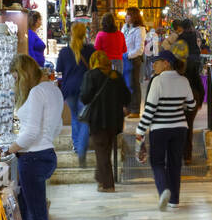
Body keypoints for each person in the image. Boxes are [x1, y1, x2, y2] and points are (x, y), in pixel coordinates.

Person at [9, 55, 62, 220]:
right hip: (44, 153)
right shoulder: (53, 90)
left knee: (35, 214)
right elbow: (56, 126)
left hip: (32, 157)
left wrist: (11, 148)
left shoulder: (37, 92)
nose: (15, 83)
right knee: (32, 212)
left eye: (16, 78)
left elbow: (30, 132)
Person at [136, 42, 195, 210]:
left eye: (157, 61)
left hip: (160, 129)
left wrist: (140, 129)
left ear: (166, 63)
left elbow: (150, 109)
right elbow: (191, 105)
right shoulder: (183, 80)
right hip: (180, 128)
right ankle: (174, 200)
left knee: (157, 162)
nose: (153, 64)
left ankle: (163, 191)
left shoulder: (157, 81)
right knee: (175, 164)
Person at [80, 50, 130, 193]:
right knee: (105, 150)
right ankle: (100, 178)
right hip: (115, 121)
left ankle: (108, 184)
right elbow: (127, 98)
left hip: (97, 120)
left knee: (102, 150)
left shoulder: (90, 75)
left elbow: (84, 97)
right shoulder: (117, 76)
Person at [55, 21, 95, 167]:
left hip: (69, 89)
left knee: (74, 117)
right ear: (84, 34)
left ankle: (77, 145)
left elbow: (59, 70)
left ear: (71, 34)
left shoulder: (64, 52)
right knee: (85, 119)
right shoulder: (90, 50)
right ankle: (81, 149)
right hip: (86, 89)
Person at [173, 19, 205, 163]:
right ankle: (187, 155)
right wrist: (201, 100)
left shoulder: (173, 65)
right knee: (188, 126)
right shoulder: (192, 63)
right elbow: (198, 83)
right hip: (192, 98)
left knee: (176, 125)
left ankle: (176, 153)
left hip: (176, 99)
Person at [123, 7, 145, 115]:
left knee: (134, 85)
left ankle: (135, 110)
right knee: (126, 85)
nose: (125, 17)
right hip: (124, 59)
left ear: (134, 16)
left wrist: (128, 55)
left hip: (133, 60)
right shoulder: (124, 28)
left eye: (128, 15)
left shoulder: (140, 30)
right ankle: (127, 108)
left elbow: (139, 49)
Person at [94, 13, 127, 78]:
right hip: (118, 63)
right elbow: (124, 50)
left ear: (103, 23)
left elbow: (96, 51)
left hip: (105, 62)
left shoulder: (100, 35)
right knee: (117, 83)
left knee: (105, 83)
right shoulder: (120, 34)